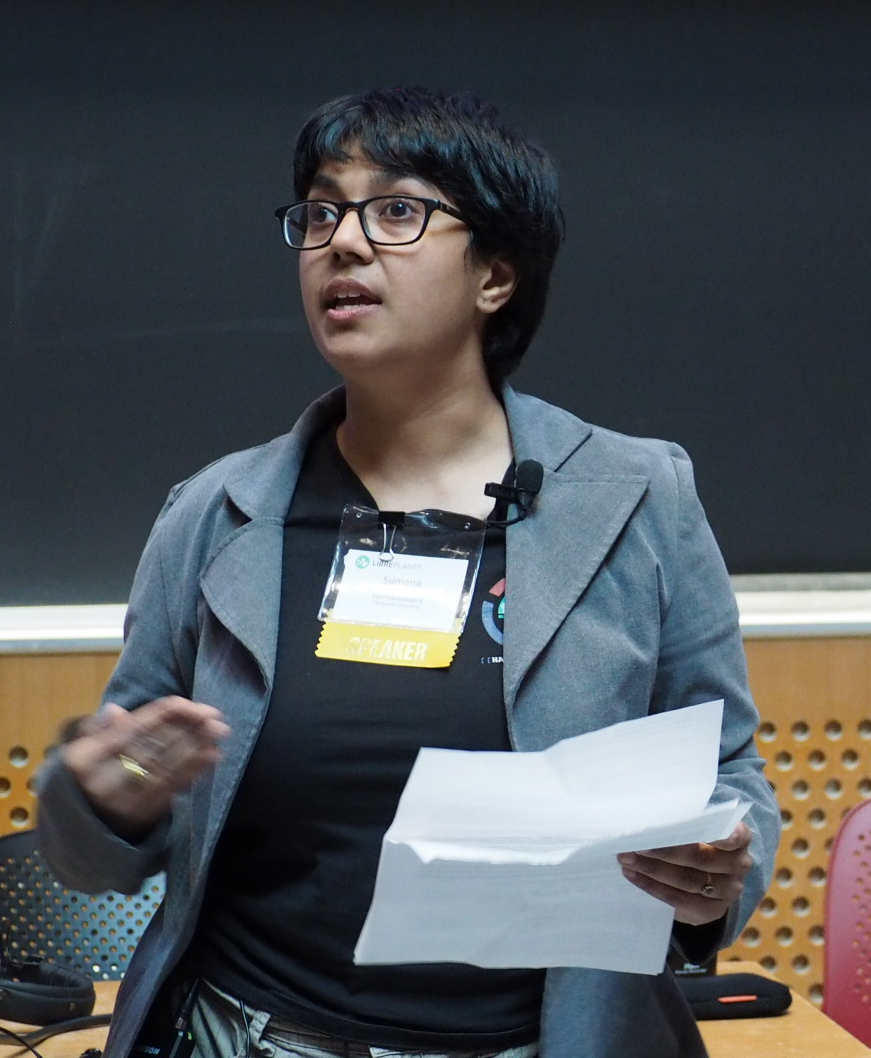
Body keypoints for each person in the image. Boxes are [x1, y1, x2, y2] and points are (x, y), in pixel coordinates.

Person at [37, 86, 780, 1058]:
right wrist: (110, 790)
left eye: (397, 209)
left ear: (495, 276)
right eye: (320, 210)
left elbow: (729, 774)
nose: (341, 242)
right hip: (246, 1034)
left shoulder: (639, 496)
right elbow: (102, 815)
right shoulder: (216, 514)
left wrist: (722, 864)